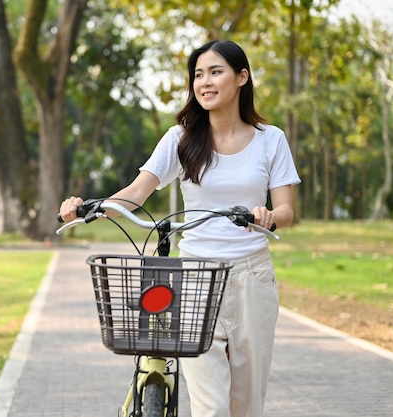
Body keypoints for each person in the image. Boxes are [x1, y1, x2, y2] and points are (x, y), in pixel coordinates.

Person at [60, 40, 301, 417]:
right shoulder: (181, 138)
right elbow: (137, 193)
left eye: (215, 72)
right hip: (195, 280)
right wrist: (91, 207)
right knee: (211, 407)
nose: (205, 82)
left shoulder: (271, 140)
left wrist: (269, 216)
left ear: (242, 77)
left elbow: (286, 210)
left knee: (248, 404)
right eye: (198, 75)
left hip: (251, 277)